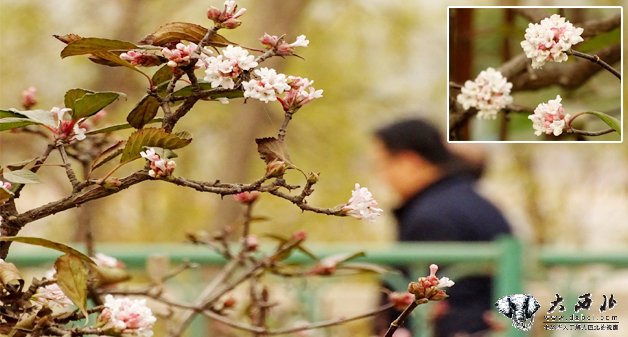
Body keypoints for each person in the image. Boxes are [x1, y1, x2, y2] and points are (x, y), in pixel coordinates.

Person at [372, 118, 512, 337]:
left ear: (410, 161)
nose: (383, 177)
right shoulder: (476, 201)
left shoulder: (431, 217)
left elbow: (441, 303)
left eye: (383, 165)